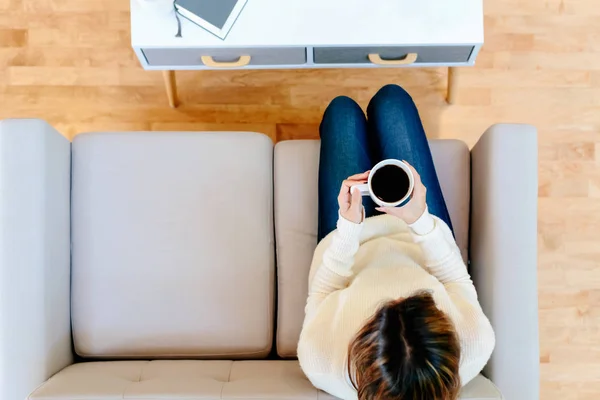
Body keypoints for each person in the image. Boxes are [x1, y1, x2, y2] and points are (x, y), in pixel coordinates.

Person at [297, 85, 495, 400]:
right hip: (417, 233)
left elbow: (323, 291)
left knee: (342, 111)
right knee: (392, 100)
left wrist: (349, 228)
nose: (393, 294)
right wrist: (419, 219)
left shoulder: (322, 363)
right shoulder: (474, 344)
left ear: (361, 351)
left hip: (351, 241)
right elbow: (454, 277)